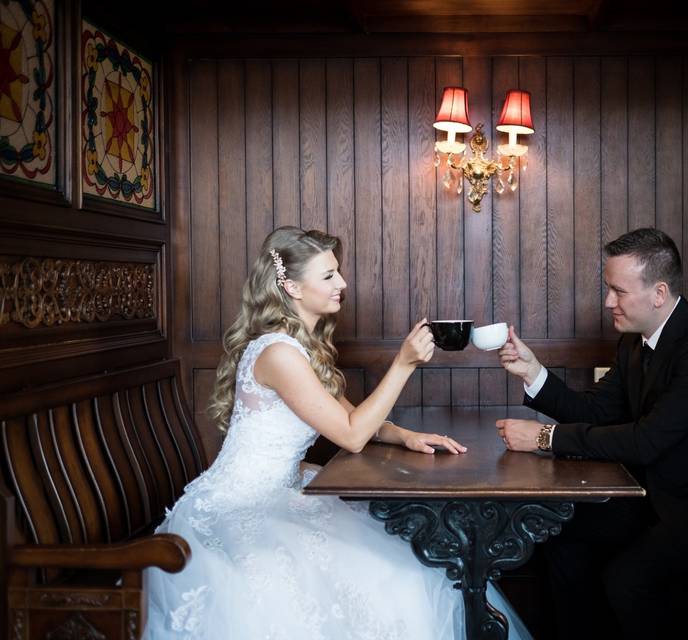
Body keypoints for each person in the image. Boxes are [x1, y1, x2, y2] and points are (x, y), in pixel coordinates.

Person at [145, 226, 531, 639]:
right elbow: (351, 436)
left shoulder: (301, 346)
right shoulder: (278, 353)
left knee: (417, 561)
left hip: (289, 490)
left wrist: (405, 436)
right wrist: (403, 364)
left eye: (337, 273)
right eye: (328, 276)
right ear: (291, 286)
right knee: (397, 575)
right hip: (242, 506)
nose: (342, 284)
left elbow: (354, 417)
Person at [495, 228, 688, 639]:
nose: (608, 302)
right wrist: (532, 371)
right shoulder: (634, 343)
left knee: (629, 580)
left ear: (659, 293)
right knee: (562, 538)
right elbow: (596, 410)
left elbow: (646, 441)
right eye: (608, 289)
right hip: (662, 497)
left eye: (618, 291)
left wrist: (545, 438)